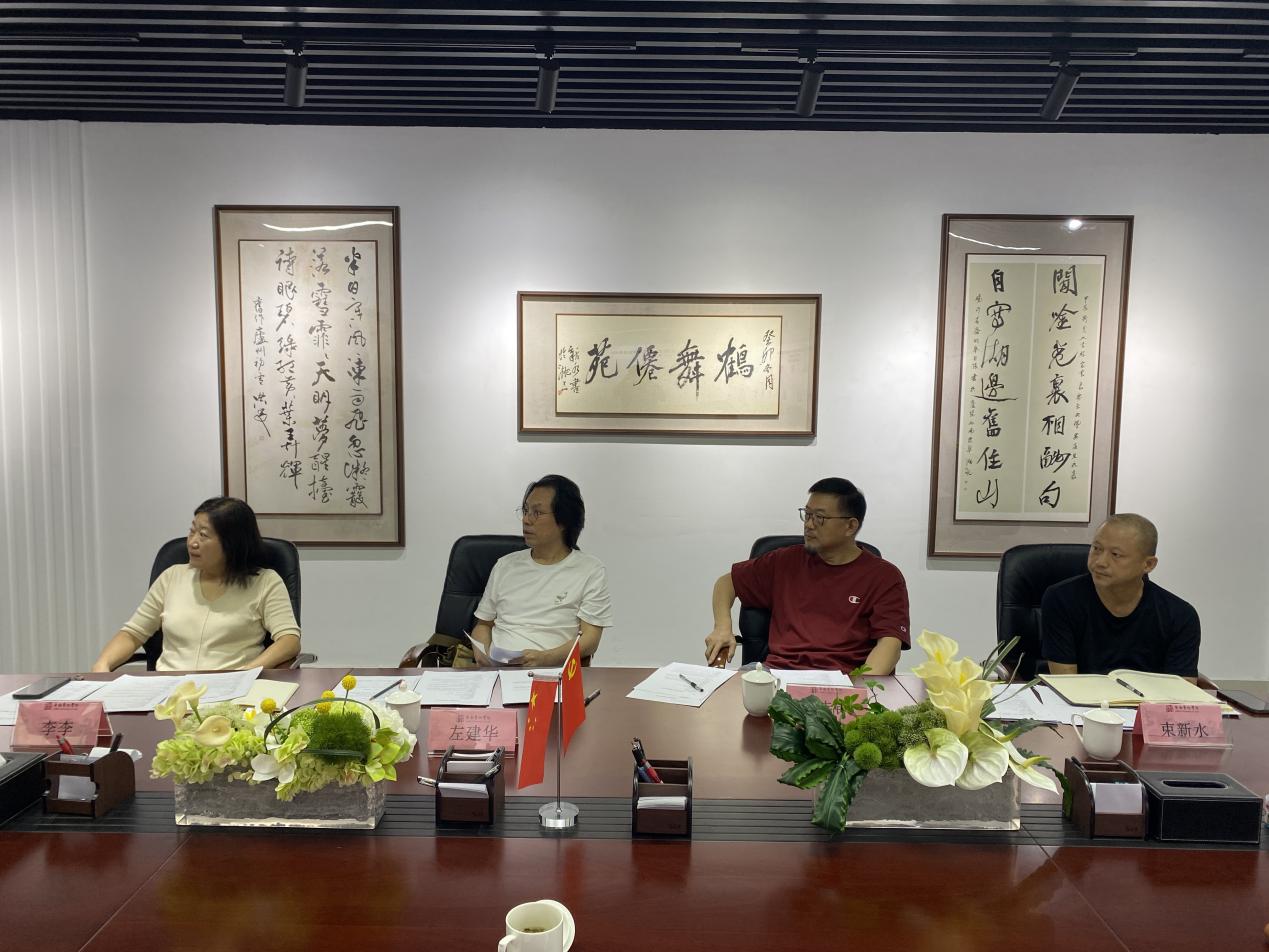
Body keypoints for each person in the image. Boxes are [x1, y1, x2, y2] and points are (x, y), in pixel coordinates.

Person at [703, 477, 909, 673]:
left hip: (845, 680)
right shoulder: (785, 561)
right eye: (807, 514)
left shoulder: (884, 577)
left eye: (819, 518)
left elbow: (889, 646)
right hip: (777, 673)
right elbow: (727, 583)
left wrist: (860, 689)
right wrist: (722, 627)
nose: (809, 525)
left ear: (850, 526)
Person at [92, 497, 301, 672]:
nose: (192, 542)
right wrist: (102, 665)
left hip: (232, 691)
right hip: (169, 691)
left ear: (232, 543)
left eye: (203, 535)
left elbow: (289, 641)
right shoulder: (172, 577)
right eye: (192, 531)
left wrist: (248, 671)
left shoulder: (265, 582)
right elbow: (133, 634)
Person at [469, 474, 613, 668]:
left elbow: (590, 639)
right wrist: (482, 652)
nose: (526, 520)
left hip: (551, 672)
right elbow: (483, 625)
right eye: (525, 510)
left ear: (564, 520)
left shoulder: (590, 570)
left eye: (537, 512)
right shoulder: (505, 565)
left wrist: (545, 658)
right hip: (498, 671)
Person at [1041, 513, 1200, 679]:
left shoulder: (1180, 615)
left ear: (1148, 564)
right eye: (1096, 549)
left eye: (1115, 554)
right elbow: (1067, 683)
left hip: (1148, 696)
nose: (1100, 562)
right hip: (1081, 696)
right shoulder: (1061, 599)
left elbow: (1183, 689)